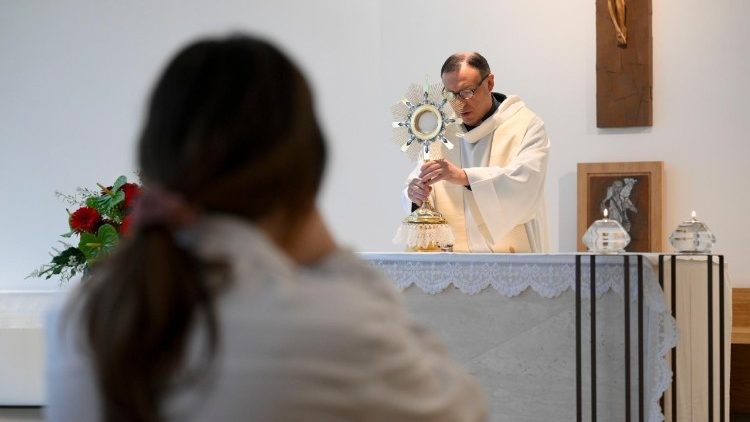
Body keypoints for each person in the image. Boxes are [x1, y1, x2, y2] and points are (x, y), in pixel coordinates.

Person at [45, 35, 487, 422]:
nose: (459, 103)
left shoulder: (77, 320)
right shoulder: (336, 331)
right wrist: (331, 256)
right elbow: (463, 409)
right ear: (307, 169)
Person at [402, 52, 550, 253]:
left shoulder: (526, 125)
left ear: (489, 83)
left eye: (467, 92)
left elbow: (527, 182)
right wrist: (414, 194)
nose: (459, 104)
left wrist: (464, 177)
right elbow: (420, 175)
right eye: (451, 95)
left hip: (510, 259)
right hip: (452, 261)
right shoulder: (441, 129)